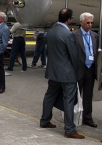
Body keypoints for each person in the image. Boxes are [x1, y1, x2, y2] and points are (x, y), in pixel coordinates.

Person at [40, 8, 84, 139]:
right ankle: (70, 129)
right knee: (69, 100)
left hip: (53, 71)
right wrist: (78, 72)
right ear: (69, 19)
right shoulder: (68, 34)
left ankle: (45, 120)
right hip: (67, 73)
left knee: (49, 96)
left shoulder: (51, 32)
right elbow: (74, 56)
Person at [73, 12, 98, 128]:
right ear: (81, 22)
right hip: (79, 69)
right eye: (87, 22)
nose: (90, 25)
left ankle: (88, 118)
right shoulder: (74, 35)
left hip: (90, 69)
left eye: (91, 23)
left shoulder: (94, 36)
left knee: (88, 95)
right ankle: (74, 117)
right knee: (76, 95)